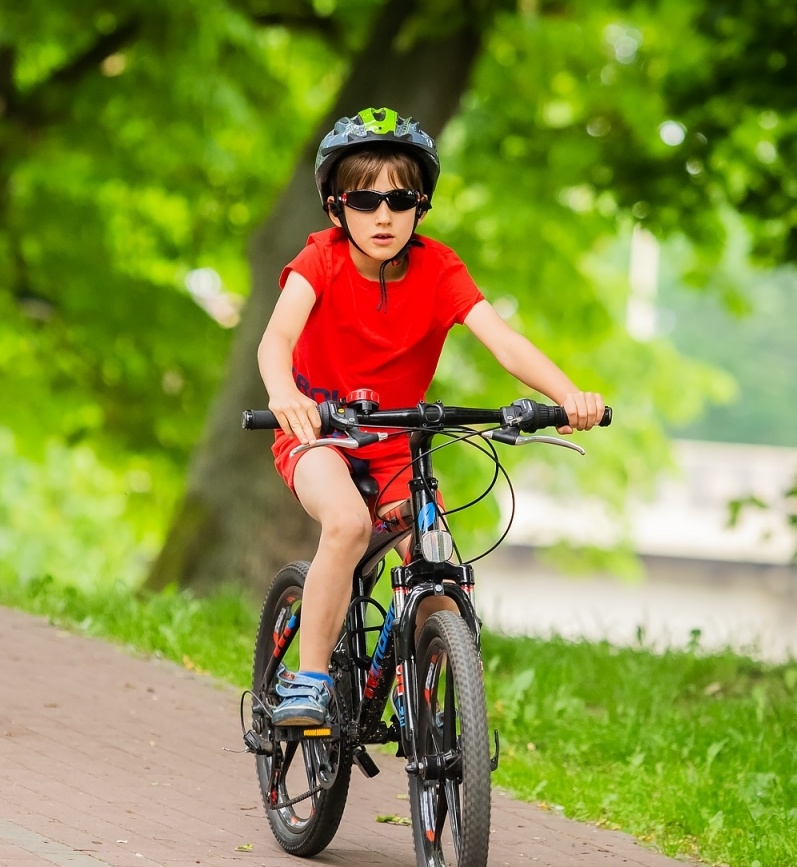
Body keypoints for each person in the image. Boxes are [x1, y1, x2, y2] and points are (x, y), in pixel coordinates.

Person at [259, 106, 606, 727]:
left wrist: (569, 394)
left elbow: (503, 343)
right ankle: (308, 682)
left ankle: (433, 698)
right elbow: (275, 339)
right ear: (338, 208)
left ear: (421, 205)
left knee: (437, 558)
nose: (383, 215)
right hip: (321, 433)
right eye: (364, 201)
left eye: (399, 199)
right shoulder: (321, 261)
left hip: (398, 444)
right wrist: (286, 394)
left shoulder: (439, 269)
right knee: (345, 524)